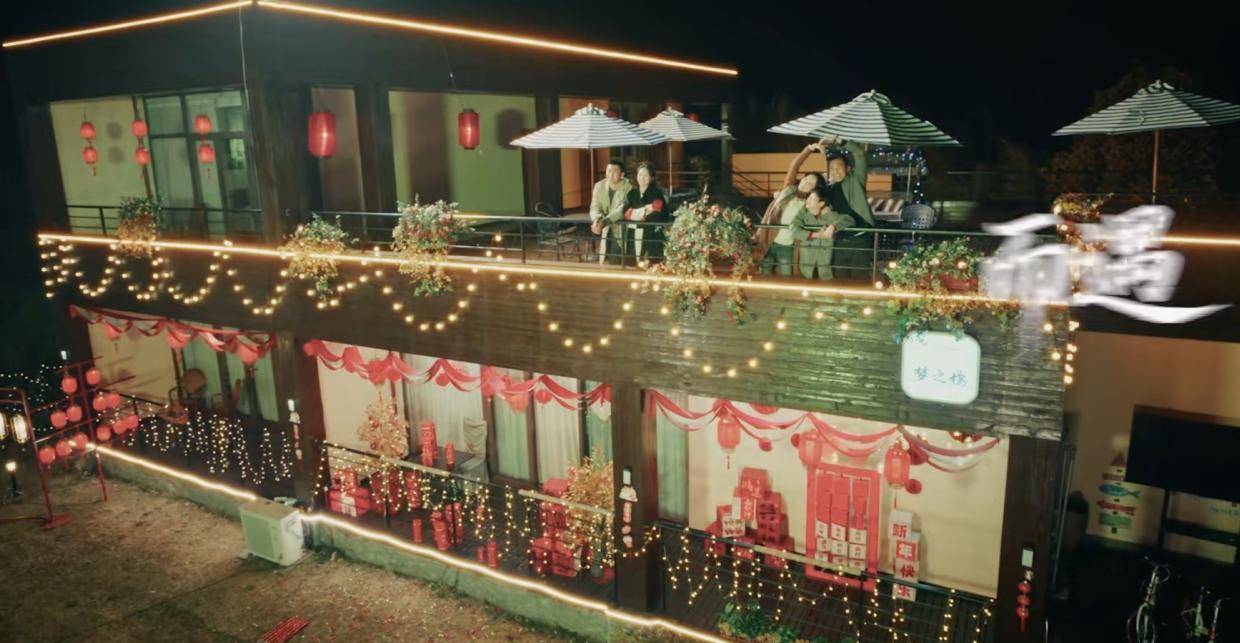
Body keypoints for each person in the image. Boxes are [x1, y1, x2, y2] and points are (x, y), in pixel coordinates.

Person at [757, 141, 828, 276]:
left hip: (788, 245)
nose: (805, 183)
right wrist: (809, 149)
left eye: (810, 184)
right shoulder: (788, 188)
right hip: (769, 240)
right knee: (765, 270)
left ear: (813, 189)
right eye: (806, 179)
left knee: (786, 275)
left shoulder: (809, 203)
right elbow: (794, 165)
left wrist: (826, 157)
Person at [820, 136, 877, 279]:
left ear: (848, 168)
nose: (835, 171)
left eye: (839, 167)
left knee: (859, 279)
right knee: (840, 279)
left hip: (860, 239)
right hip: (839, 240)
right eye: (832, 169)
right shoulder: (829, 189)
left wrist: (839, 140)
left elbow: (860, 154)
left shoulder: (856, 180)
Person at [791, 183, 855, 279]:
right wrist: (817, 235)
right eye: (808, 198)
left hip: (825, 266)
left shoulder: (829, 214)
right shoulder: (803, 213)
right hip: (807, 265)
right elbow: (793, 229)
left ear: (821, 203)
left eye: (811, 199)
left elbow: (849, 220)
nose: (807, 200)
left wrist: (834, 226)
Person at [621, 161, 670, 263]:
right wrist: (645, 210)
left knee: (651, 263)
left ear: (652, 178)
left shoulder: (657, 193)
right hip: (634, 233)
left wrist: (635, 213)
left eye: (645, 175)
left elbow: (657, 211)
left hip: (651, 233)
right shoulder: (631, 193)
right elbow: (625, 212)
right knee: (632, 264)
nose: (642, 177)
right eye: (640, 174)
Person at [589, 160, 633, 264]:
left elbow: (622, 209)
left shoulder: (628, 187)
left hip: (620, 229)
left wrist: (604, 221)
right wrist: (596, 220)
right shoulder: (599, 186)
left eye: (615, 171)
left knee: (618, 259)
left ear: (622, 174)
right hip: (605, 228)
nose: (611, 174)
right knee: (605, 259)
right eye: (609, 171)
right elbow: (594, 207)